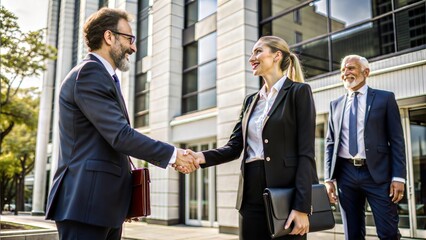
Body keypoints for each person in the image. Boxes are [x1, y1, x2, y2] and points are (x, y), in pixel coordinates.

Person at [45, 8, 198, 240]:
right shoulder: (89, 73)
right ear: (109, 37)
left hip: (101, 204)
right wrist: (174, 155)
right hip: (85, 204)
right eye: (129, 38)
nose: (133, 47)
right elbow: (120, 135)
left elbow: (109, 142)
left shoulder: (103, 76)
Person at [180, 36, 318, 239]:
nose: (251, 58)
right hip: (250, 192)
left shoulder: (299, 92)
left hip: (286, 193)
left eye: (258, 51)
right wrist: (200, 157)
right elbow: (234, 147)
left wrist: (302, 206)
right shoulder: (250, 101)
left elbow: (306, 153)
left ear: (277, 55)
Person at [324, 55, 406, 240]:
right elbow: (330, 143)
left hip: (378, 175)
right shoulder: (335, 105)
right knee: (352, 234)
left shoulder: (385, 99)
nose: (346, 73)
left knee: (388, 232)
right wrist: (329, 179)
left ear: (366, 72)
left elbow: (397, 140)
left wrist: (399, 176)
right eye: (343, 70)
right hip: (346, 175)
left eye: (351, 68)